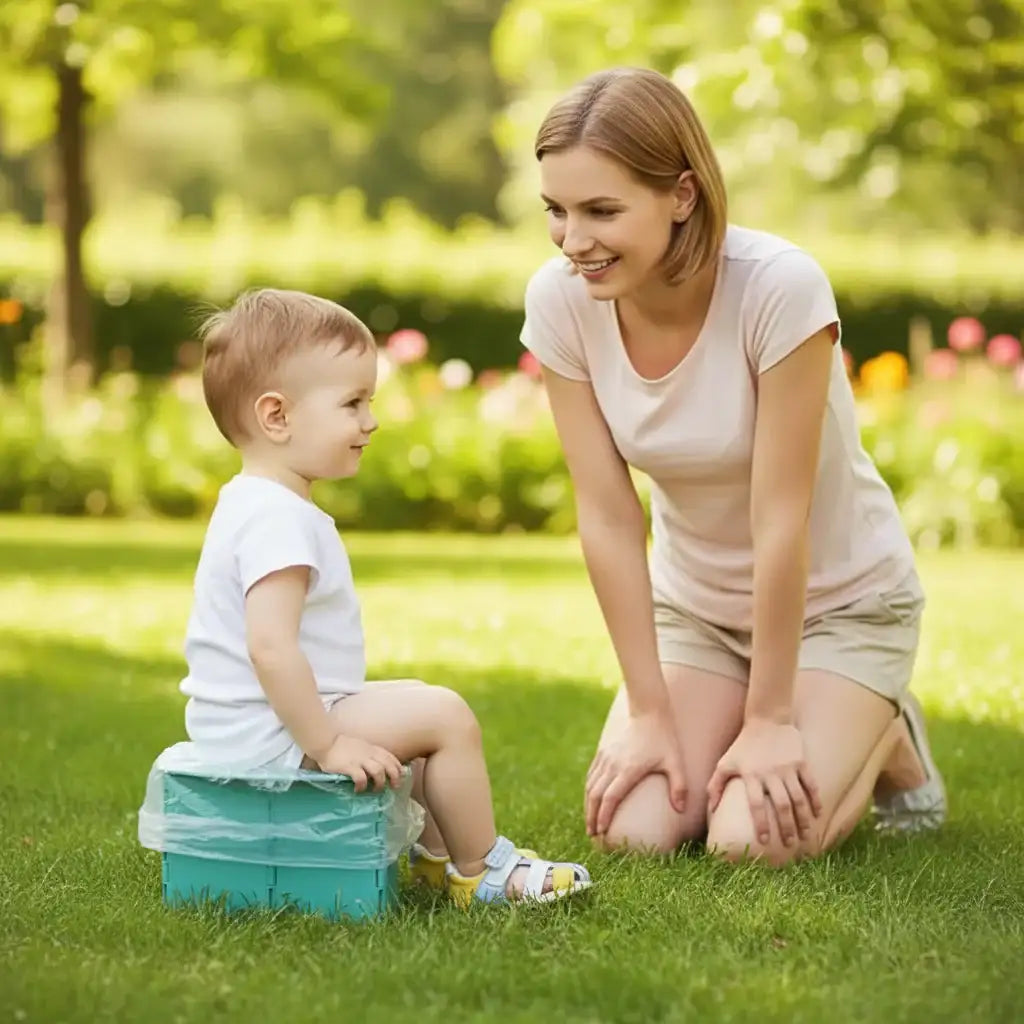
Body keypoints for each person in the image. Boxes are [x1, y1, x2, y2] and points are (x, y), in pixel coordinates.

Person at [519, 67, 946, 866]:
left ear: (682, 195)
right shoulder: (560, 301)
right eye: (556, 210)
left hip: (841, 606)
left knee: (752, 841)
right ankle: (745, 720)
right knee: (632, 831)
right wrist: (648, 710)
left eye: (601, 211)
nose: (573, 241)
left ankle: (887, 731)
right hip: (699, 610)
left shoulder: (778, 288)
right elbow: (607, 515)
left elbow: (779, 516)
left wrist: (771, 720)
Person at [179, 288, 591, 904]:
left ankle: (439, 860)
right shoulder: (276, 518)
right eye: (352, 403)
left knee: (415, 704)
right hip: (270, 734)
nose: (369, 420)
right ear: (276, 416)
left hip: (260, 721)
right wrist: (327, 743)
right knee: (446, 715)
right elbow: (270, 647)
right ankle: (482, 870)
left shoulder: (256, 501)